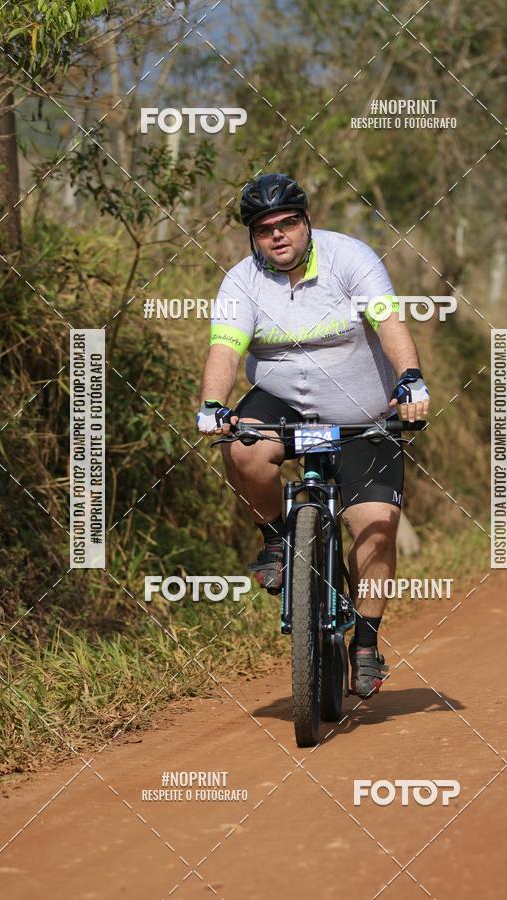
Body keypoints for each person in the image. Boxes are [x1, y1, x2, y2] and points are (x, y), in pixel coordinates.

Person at [197, 173, 430, 698]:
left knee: (376, 525)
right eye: (264, 229)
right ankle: (278, 539)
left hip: (360, 410)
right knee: (241, 449)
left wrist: (411, 378)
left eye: (287, 223)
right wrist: (213, 404)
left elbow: (389, 322)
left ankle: (364, 644)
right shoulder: (241, 282)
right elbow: (225, 351)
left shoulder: (351, 258)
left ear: (307, 223)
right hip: (283, 402)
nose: (278, 235)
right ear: (253, 238)